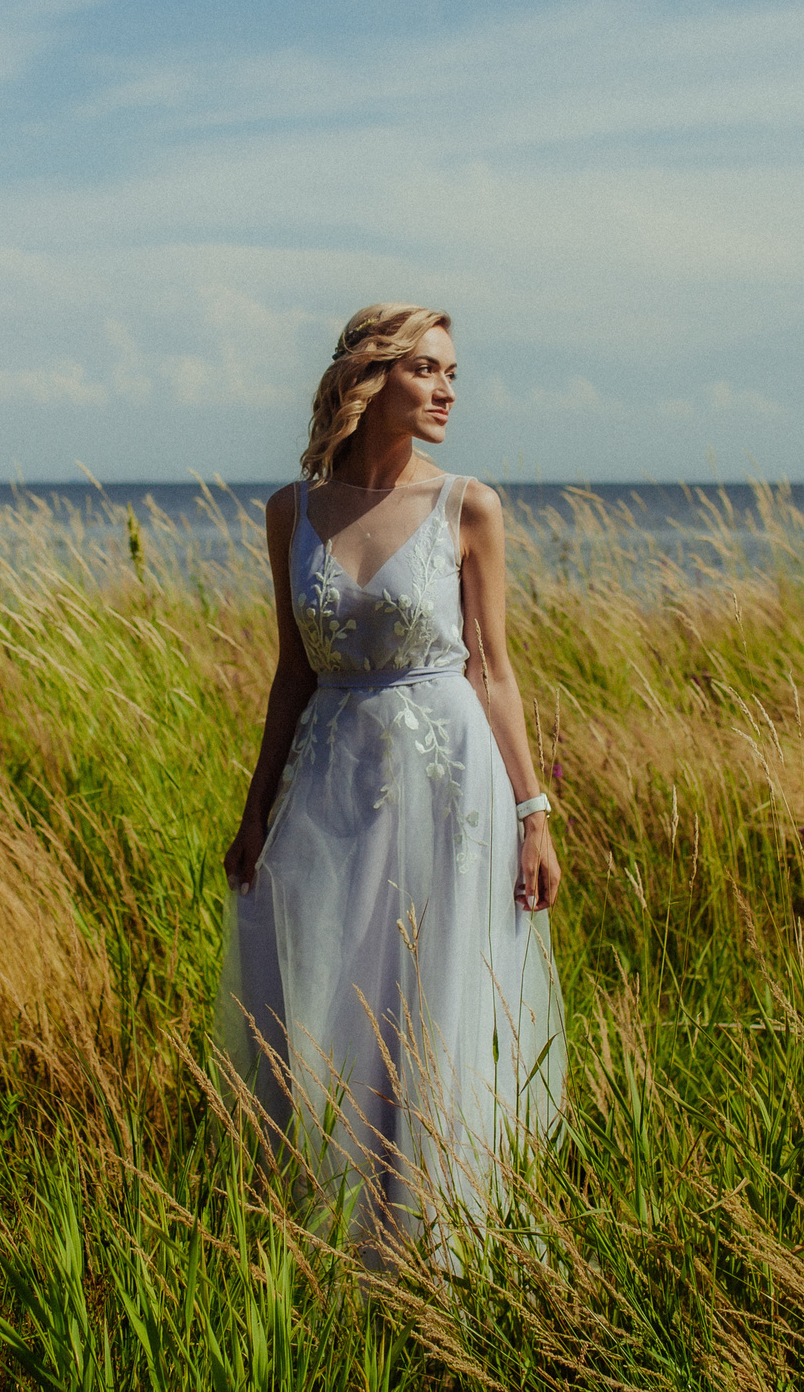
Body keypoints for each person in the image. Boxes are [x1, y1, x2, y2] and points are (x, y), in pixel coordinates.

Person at [217, 303, 566, 1259]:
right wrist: (256, 812)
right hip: (330, 783)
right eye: (428, 368)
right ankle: (334, 1237)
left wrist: (533, 814)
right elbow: (292, 671)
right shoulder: (290, 511)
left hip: (450, 790)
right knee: (330, 997)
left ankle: (441, 1247)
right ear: (373, 378)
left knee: (433, 1007)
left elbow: (494, 669)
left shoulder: (470, 506)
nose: (449, 388)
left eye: (453, 371)